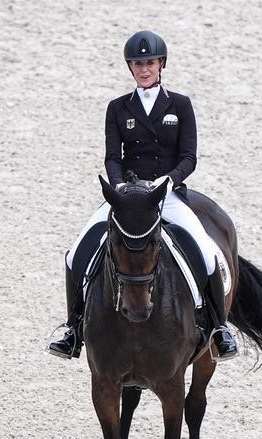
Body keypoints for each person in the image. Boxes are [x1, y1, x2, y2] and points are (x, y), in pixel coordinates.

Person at [47, 30, 238, 361]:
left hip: (167, 195)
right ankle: (73, 328)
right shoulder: (118, 108)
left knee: (206, 252)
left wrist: (168, 180)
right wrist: (118, 184)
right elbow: (112, 156)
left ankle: (220, 328)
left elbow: (189, 157)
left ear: (161, 64)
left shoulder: (180, 104)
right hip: (127, 196)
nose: (144, 68)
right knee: (77, 251)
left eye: (149, 62)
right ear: (130, 67)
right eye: (137, 63)